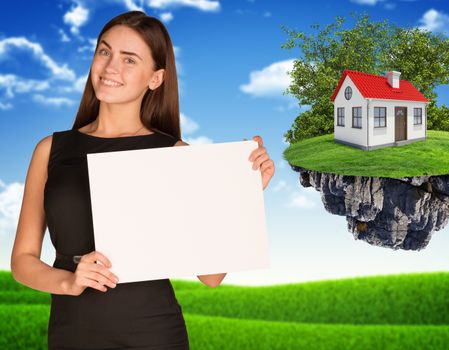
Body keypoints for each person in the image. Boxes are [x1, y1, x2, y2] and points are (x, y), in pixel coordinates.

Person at [10, 10, 275, 349]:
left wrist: (244, 193)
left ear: (156, 78)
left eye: (129, 60)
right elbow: (23, 260)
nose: (110, 68)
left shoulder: (176, 154)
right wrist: (68, 282)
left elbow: (210, 277)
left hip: (153, 334)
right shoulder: (50, 150)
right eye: (104, 51)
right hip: (71, 333)